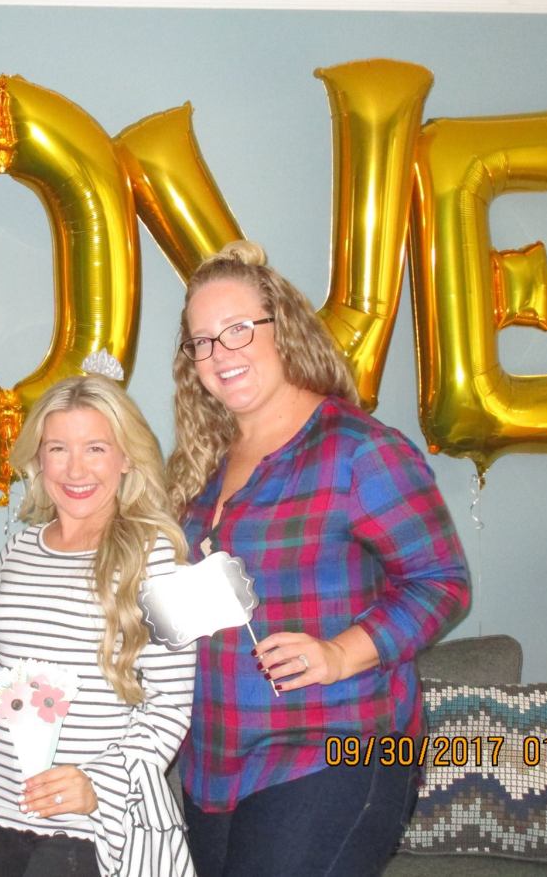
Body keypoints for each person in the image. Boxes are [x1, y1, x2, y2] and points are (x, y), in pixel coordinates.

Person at [166, 241, 470, 876]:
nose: (221, 353)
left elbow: (442, 582)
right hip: (215, 762)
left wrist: (339, 653)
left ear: (284, 328)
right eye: (203, 341)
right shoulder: (203, 468)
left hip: (334, 748)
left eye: (239, 329)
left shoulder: (359, 450)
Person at [0, 374, 198, 877]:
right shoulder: (18, 549)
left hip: (90, 825)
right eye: (58, 449)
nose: (75, 469)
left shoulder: (162, 557)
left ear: (126, 457)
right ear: (38, 458)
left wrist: (100, 784)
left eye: (95, 448)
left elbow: (170, 704)